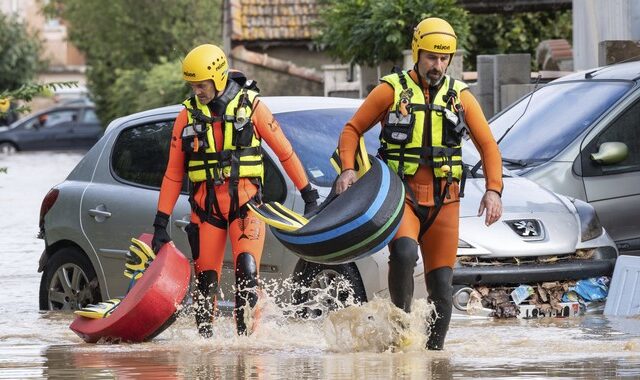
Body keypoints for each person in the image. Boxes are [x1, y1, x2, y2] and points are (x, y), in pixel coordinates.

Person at [335, 17, 503, 350]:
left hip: (446, 201)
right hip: (403, 199)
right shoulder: (391, 90)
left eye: (444, 59)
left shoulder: (462, 98)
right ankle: (401, 342)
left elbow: (488, 146)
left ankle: (434, 357)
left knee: (442, 284)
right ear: (417, 53)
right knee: (404, 252)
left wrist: (494, 190)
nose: (437, 65)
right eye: (431, 57)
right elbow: (352, 130)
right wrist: (347, 169)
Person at [151, 44, 319, 337]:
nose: (196, 92)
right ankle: (206, 349)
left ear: (217, 78)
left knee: (247, 271)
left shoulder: (252, 106)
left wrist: (309, 196)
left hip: (247, 206)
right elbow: (173, 173)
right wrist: (160, 223)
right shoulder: (186, 116)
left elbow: (285, 152)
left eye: (201, 85)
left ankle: (246, 348)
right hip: (206, 211)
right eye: (192, 86)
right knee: (205, 283)